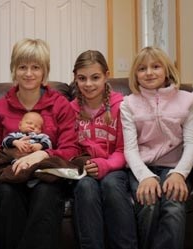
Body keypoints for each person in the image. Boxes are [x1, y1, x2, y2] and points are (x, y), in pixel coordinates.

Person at [0, 38, 80, 249]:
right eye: (22, 67)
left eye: (35, 67)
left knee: (47, 192)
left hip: (48, 175)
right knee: (6, 193)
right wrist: (16, 153)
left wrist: (42, 154)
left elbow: (71, 148)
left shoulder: (60, 105)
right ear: (13, 70)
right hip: (13, 173)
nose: (28, 73)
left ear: (44, 72)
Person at [120, 46, 193, 249]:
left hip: (174, 167)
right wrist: (145, 176)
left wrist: (179, 174)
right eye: (142, 68)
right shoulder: (128, 104)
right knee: (149, 203)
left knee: (174, 204)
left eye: (156, 66)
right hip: (142, 168)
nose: (149, 72)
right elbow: (130, 149)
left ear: (167, 71)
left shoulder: (186, 99)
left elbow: (192, 143)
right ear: (135, 75)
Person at [70, 50, 137, 249]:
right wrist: (83, 163)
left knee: (111, 185)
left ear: (107, 76)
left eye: (95, 77)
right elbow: (70, 147)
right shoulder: (70, 109)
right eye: (82, 78)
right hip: (85, 170)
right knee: (85, 188)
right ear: (75, 78)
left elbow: (124, 149)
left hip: (115, 168)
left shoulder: (121, 106)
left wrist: (105, 165)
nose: (88, 84)